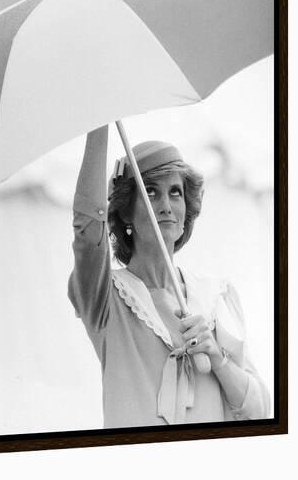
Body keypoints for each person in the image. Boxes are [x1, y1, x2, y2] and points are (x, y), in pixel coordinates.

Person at [68, 126, 270, 428]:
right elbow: (87, 230)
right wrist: (99, 122)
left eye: (175, 192)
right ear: (125, 213)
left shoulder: (216, 295)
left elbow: (259, 411)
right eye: (150, 192)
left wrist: (216, 356)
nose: (165, 205)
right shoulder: (106, 296)